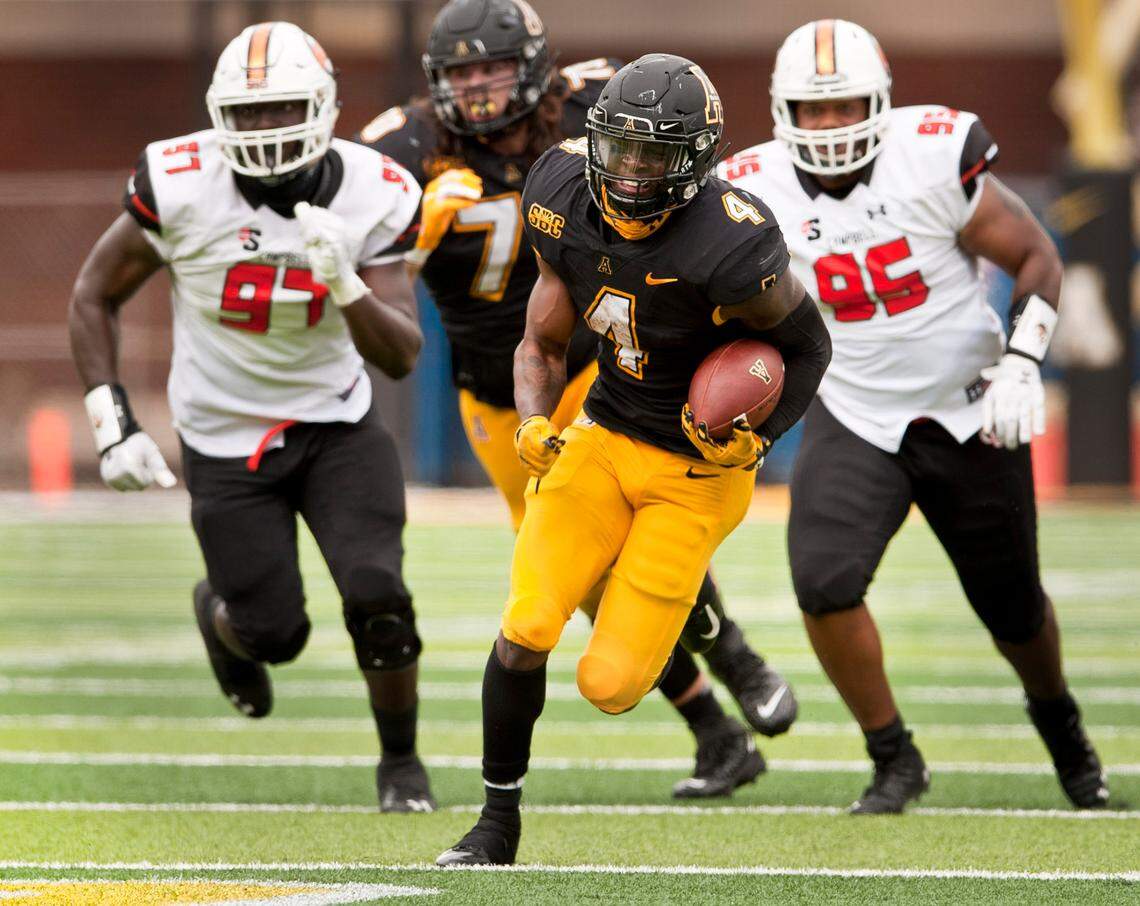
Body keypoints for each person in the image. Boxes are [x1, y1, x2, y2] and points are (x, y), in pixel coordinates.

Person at [359, 0, 798, 801]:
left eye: (493, 67)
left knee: (646, 531)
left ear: (532, 66)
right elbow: (366, 279)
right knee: (580, 579)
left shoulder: (593, 108)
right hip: (499, 388)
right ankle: (716, 726)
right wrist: (406, 239)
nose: (481, 89)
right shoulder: (401, 149)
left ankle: (732, 655)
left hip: (608, 360)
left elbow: (667, 149)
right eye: (462, 74)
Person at [436, 53, 832, 865]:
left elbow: (810, 346)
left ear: (691, 164)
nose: (628, 172)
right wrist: (537, 418)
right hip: (605, 436)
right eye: (617, 149)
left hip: (695, 474)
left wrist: (758, 437)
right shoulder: (559, 192)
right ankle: (495, 825)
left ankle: (710, 624)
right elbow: (540, 339)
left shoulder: (730, 241)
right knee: (529, 623)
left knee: (610, 685)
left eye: (652, 158)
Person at [721, 18, 1108, 813]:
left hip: (968, 407)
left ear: (882, 101)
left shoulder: (931, 153)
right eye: (812, 109)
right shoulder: (753, 186)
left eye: (845, 106)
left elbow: (1036, 255)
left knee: (1014, 608)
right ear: (781, 109)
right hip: (856, 409)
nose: (829, 126)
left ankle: (1062, 726)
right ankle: (893, 754)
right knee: (824, 584)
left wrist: (1023, 360)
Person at [68, 22, 437, 814]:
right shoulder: (180, 180)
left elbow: (402, 353)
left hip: (335, 422)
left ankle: (401, 764)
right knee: (276, 635)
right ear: (218, 114)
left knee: (379, 594)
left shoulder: (377, 189)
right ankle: (222, 617)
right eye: (250, 112)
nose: (266, 128)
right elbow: (94, 294)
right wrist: (114, 424)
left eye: (283, 109)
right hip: (223, 434)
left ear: (325, 107)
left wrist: (347, 284)